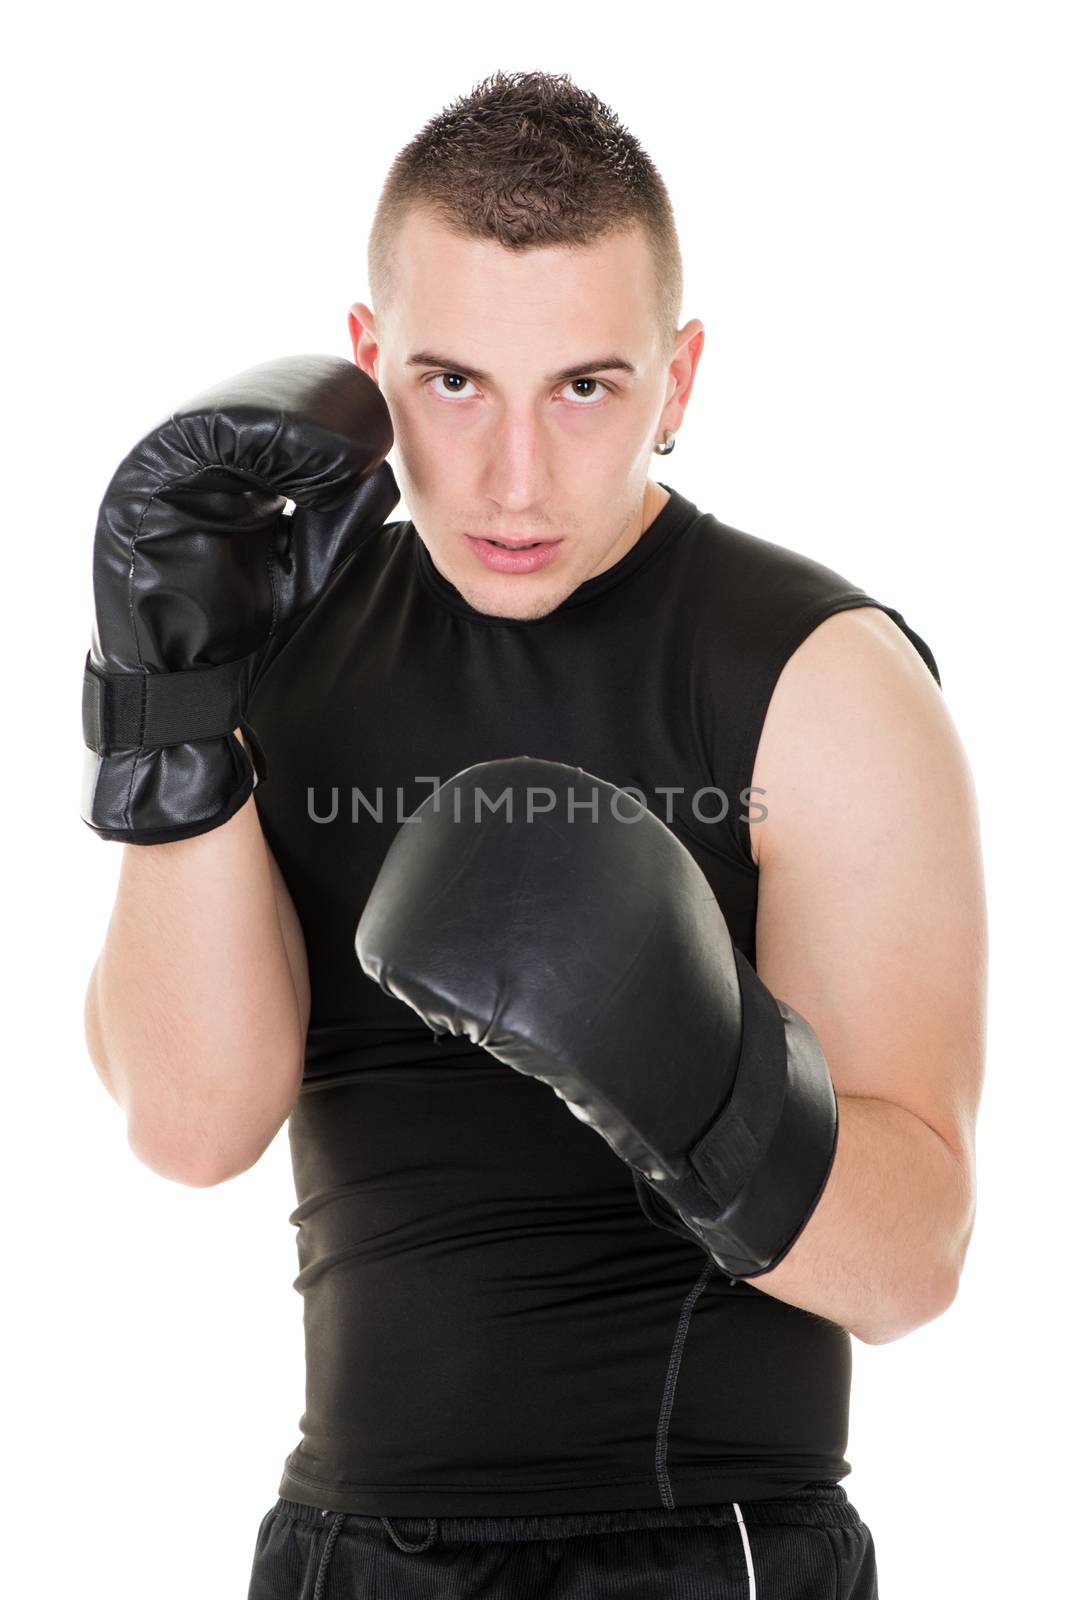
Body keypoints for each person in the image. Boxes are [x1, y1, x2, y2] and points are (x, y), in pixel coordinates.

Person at [82, 70, 986, 1600]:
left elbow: (914, 1264)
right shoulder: (277, 650)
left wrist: (693, 1072)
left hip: (716, 1554)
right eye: (451, 384)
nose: (513, 479)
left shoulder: (820, 681)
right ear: (366, 370)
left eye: (584, 388)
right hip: (342, 1554)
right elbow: (191, 1126)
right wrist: (167, 707)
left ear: (678, 380)